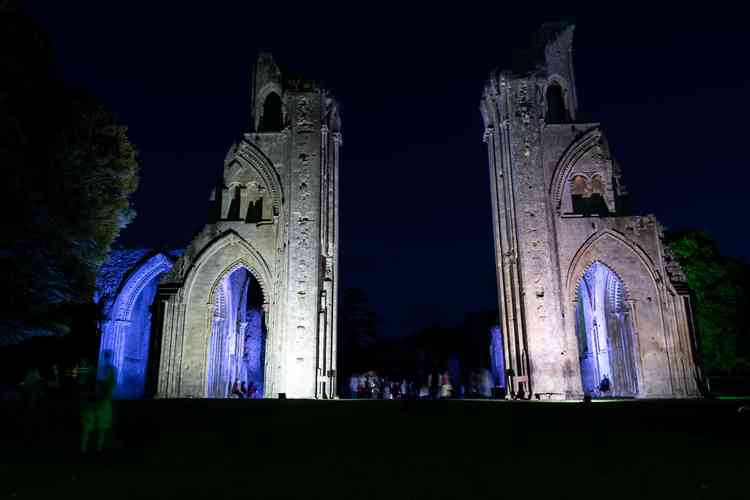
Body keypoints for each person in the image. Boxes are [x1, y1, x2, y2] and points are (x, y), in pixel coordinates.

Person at [80, 353, 116, 453]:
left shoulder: (101, 369)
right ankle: (96, 449)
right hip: (100, 402)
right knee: (100, 428)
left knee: (89, 428)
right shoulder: (108, 369)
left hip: (93, 402)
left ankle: (85, 449)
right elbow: (110, 385)